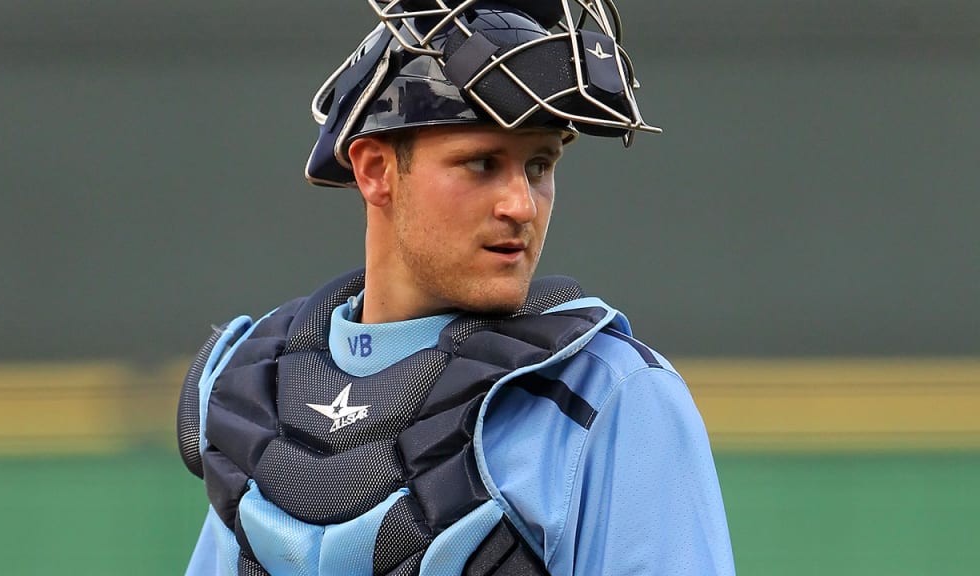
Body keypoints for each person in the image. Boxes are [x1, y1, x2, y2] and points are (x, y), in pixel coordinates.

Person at [176, 1, 735, 574]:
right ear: (375, 171)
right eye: (482, 163)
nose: (521, 206)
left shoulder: (606, 393)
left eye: (539, 166)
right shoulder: (259, 396)